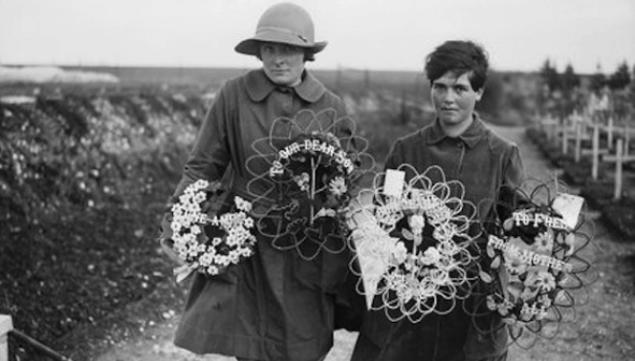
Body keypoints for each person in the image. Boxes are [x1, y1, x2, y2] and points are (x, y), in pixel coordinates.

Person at [159, 3, 356, 361]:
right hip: (248, 248)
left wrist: (323, 211)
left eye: (289, 49)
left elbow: (345, 181)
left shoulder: (331, 107)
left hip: (307, 252)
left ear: (306, 53)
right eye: (270, 49)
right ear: (259, 52)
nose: (278, 59)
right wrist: (176, 223)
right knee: (253, 346)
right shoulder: (233, 96)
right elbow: (203, 165)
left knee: (304, 346)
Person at [350, 40, 524, 361]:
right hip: (409, 296)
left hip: (471, 300)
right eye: (440, 87)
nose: (448, 98)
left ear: (479, 93)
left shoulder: (502, 155)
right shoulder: (405, 150)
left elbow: (518, 224)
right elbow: (384, 214)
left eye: (459, 88)